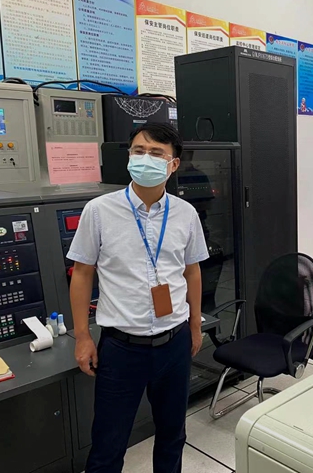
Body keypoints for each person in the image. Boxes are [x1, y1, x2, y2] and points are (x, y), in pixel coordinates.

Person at [68, 122, 209, 473]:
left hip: (174, 342)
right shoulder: (99, 211)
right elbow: (82, 273)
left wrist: (195, 325)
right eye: (139, 151)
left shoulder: (185, 213)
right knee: (108, 444)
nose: (145, 158)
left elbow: (192, 271)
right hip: (121, 348)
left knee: (173, 435)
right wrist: (82, 336)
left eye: (156, 153)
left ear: (173, 164)